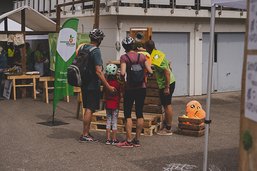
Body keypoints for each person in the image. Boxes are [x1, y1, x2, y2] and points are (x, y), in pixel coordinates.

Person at [79, 28, 116, 142]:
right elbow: (98, 71)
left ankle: (86, 132)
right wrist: (108, 86)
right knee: (90, 108)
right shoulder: (96, 51)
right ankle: (85, 134)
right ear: (99, 40)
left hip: (83, 82)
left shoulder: (83, 47)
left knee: (87, 108)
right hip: (92, 83)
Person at [117, 36, 153, 147]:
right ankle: (137, 140)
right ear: (133, 46)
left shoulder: (124, 57)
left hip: (130, 89)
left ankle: (128, 140)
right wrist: (144, 75)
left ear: (124, 47)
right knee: (139, 113)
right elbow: (151, 71)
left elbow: (122, 73)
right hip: (141, 88)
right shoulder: (142, 57)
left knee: (127, 114)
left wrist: (122, 81)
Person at [145, 40, 176, 135]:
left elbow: (166, 72)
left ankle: (168, 129)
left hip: (166, 84)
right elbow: (166, 65)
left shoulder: (155, 57)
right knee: (166, 104)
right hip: (169, 82)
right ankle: (167, 124)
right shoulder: (158, 53)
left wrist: (167, 87)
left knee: (167, 105)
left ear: (147, 49)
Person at [104, 63, 121, 145]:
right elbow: (120, 92)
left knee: (108, 121)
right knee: (114, 122)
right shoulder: (117, 83)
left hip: (107, 104)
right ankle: (114, 139)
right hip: (115, 105)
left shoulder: (106, 83)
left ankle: (107, 139)